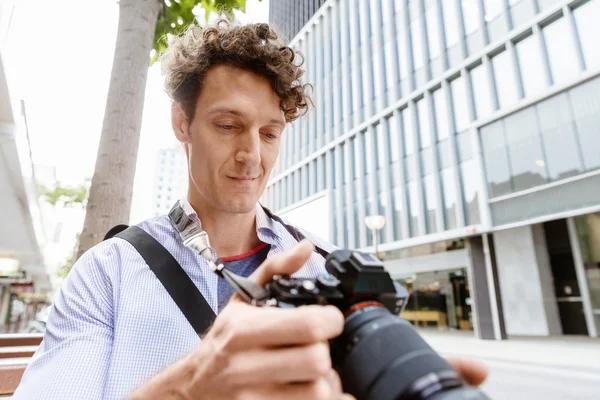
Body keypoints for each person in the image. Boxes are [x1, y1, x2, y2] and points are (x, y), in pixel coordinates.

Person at [14, 21, 488, 400]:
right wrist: (187, 391)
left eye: (269, 133)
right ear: (183, 123)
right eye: (227, 125)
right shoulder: (106, 273)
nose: (252, 155)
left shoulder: (322, 264)